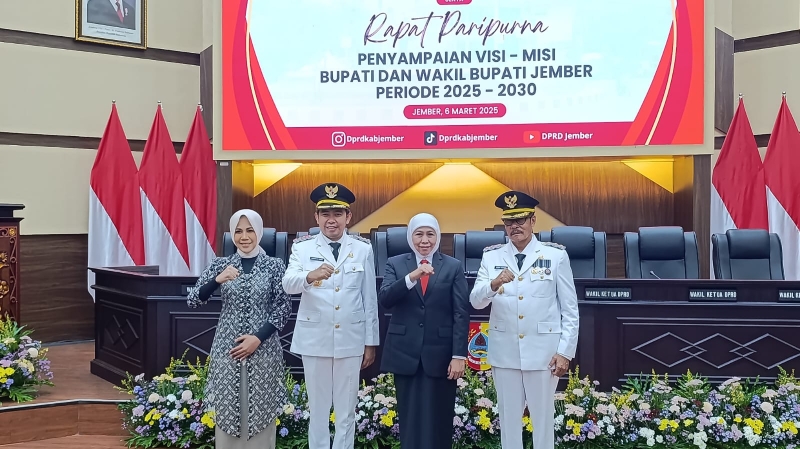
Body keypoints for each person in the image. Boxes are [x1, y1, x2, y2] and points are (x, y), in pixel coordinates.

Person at [469, 191, 579, 449]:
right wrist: (493, 284)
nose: (514, 226)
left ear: (533, 220)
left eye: (520, 220)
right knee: (508, 420)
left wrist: (565, 351)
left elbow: (570, 309)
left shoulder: (555, 256)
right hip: (505, 351)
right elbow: (475, 301)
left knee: (542, 419)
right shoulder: (492, 256)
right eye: (509, 221)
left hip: (544, 353)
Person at [282, 183, 380, 449]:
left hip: (351, 338)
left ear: (348, 217)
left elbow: (369, 299)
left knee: (346, 411)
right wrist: (308, 276)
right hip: (315, 340)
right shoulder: (302, 248)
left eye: (338, 214)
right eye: (325, 214)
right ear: (316, 217)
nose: (331, 220)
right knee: (318, 410)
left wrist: (370, 342)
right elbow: (288, 284)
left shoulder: (363, 249)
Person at [187, 209, 292, 449]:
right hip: (228, 348)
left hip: (264, 348)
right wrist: (217, 280)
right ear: (232, 235)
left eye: (250, 230)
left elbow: (284, 307)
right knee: (227, 407)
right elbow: (193, 300)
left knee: (262, 407)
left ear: (259, 232)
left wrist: (258, 338)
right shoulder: (221, 264)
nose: (244, 237)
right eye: (238, 231)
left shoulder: (274, 266)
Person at [378, 213, 469, 449]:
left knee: (439, 419)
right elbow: (385, 299)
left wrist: (458, 355)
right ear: (410, 236)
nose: (425, 240)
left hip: (441, 355)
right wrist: (412, 277)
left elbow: (460, 312)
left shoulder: (453, 266)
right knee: (410, 418)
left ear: (438, 237)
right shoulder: (395, 264)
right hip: (405, 353)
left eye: (430, 234)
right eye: (419, 234)